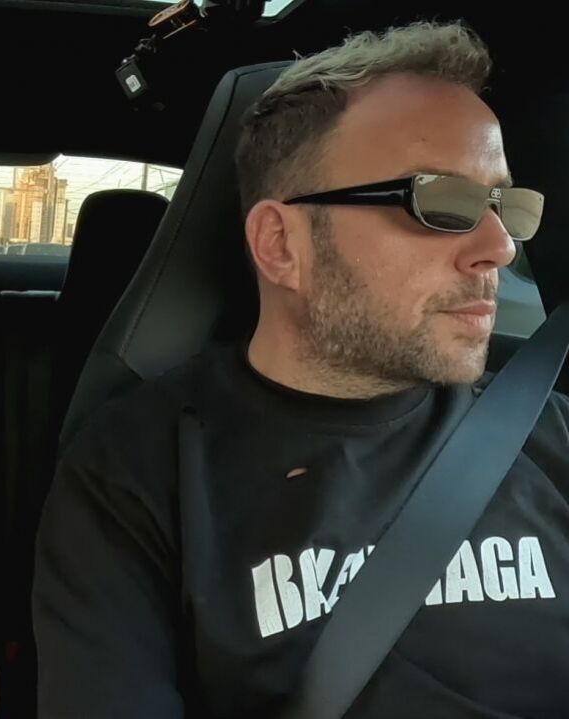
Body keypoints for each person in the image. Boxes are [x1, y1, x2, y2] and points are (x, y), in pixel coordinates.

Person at [33, 21, 564, 718]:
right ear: (281, 245)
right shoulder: (135, 474)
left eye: (505, 206)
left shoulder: (550, 430)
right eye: (440, 202)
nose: (498, 247)